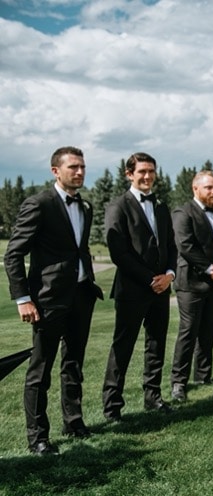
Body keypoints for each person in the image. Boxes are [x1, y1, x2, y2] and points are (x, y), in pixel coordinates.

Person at [6, 146, 104, 455]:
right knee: (40, 370)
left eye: (83, 167)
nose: (79, 172)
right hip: (47, 300)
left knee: (73, 364)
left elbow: (79, 250)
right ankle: (38, 437)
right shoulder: (39, 204)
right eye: (73, 167)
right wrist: (23, 298)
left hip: (81, 295)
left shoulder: (85, 207)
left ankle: (73, 422)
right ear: (55, 171)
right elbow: (14, 254)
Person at [101, 152, 177, 422]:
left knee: (156, 345)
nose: (147, 176)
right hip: (133, 289)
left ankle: (153, 397)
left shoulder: (161, 207)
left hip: (162, 288)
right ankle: (112, 406)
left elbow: (170, 246)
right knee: (123, 347)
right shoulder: (118, 206)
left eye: (151, 171)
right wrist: (150, 279)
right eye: (142, 171)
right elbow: (119, 253)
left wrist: (169, 275)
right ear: (129, 174)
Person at [170, 170, 213, 402]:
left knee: (209, 331)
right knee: (189, 333)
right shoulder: (183, 212)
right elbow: (186, 246)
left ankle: (203, 376)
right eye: (209, 187)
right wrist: (211, 269)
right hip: (191, 283)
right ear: (195, 188)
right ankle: (179, 382)